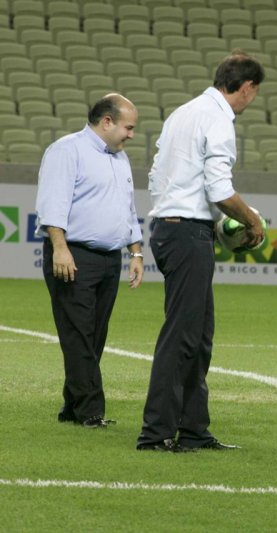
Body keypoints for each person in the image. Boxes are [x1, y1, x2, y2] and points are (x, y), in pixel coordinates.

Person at [136, 51, 266, 453]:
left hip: (171, 226)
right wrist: (252, 222)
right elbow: (220, 190)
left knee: (198, 334)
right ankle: (156, 433)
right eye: (254, 93)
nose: (252, 100)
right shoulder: (219, 121)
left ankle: (193, 428)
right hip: (186, 232)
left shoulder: (183, 113)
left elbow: (158, 174)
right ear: (246, 88)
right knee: (182, 336)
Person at [35, 94, 144, 428]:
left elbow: (128, 209)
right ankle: (90, 412)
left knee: (94, 335)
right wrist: (60, 247)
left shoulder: (119, 158)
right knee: (79, 334)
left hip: (109, 259)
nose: (131, 135)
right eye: (129, 127)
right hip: (74, 255)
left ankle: (72, 407)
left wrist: (135, 251)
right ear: (107, 121)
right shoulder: (67, 150)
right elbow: (52, 202)